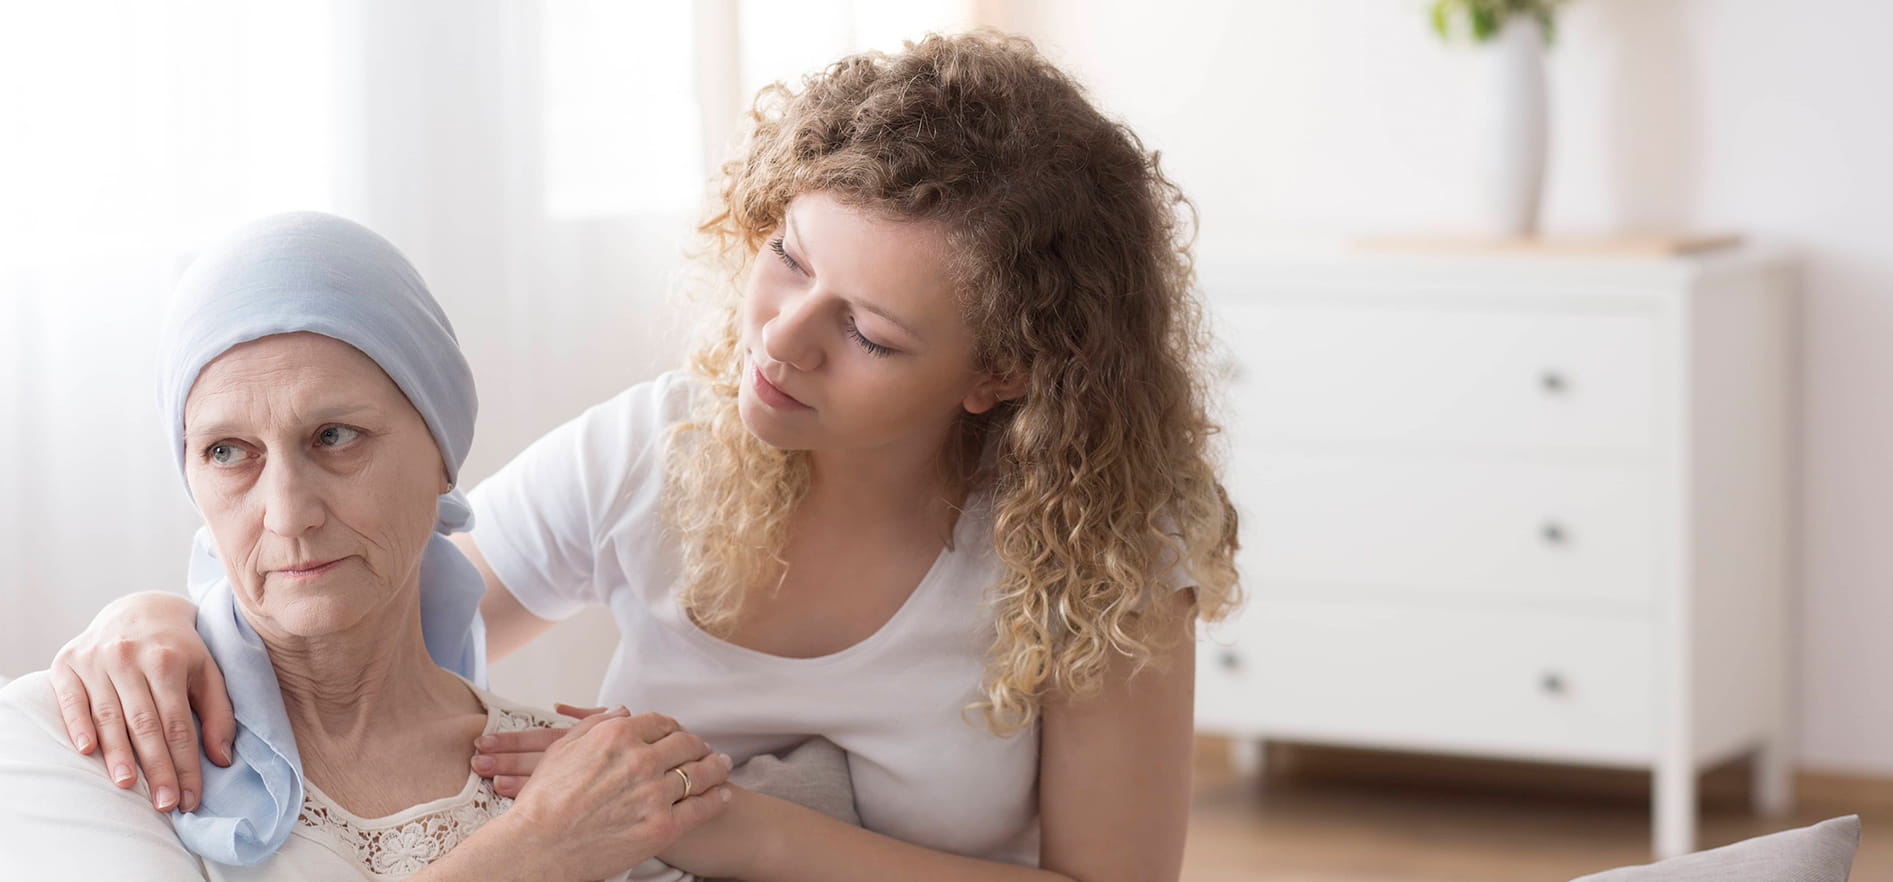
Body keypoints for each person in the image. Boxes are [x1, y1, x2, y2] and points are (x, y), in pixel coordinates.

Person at [50, 30, 1241, 881]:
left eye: (867, 332)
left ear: (1004, 374)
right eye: (787, 256)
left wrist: (728, 828)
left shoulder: (1105, 550)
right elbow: (372, 590)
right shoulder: (659, 450)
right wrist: (165, 613)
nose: (777, 336)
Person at [0, 211, 855, 881]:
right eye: (228, 453)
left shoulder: (583, 785)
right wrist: (534, 857)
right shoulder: (79, 734)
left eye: (335, 436)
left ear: (443, 453)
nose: (288, 513)